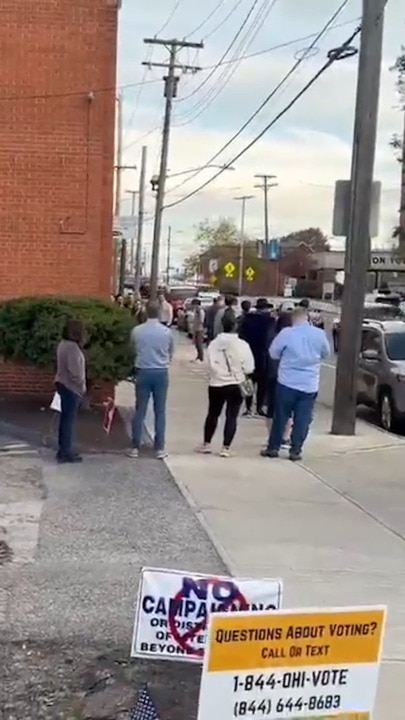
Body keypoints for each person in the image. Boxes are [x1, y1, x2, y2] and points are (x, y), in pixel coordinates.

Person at [261, 306, 330, 461]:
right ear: (308, 318)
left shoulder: (286, 333)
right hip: (309, 384)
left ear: (293, 319)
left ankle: (273, 448)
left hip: (287, 381)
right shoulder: (319, 334)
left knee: (281, 416)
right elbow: (326, 353)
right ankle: (296, 450)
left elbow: (273, 353)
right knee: (303, 418)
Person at [196, 312, 254, 457]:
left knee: (213, 414)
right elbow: (249, 367)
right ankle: (226, 447)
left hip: (216, 383)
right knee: (231, 416)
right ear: (236, 326)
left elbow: (209, 363)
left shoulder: (214, 344)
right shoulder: (243, 345)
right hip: (236, 383)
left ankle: (206, 443)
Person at [129, 300, 174, 459]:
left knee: (140, 409)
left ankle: (135, 446)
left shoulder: (136, 331)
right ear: (160, 312)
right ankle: (159, 447)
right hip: (161, 371)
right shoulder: (166, 332)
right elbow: (170, 352)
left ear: (146, 312)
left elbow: (133, 350)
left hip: (142, 370)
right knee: (160, 410)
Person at [55, 318, 86, 463]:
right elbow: (75, 373)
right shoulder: (73, 348)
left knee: (64, 420)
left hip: (61, 383)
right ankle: (66, 452)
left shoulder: (62, 344)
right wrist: (81, 386)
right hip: (71, 387)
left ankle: (63, 450)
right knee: (69, 421)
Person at [238, 297, 275, 417]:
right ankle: (259, 407)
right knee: (262, 385)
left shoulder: (247, 320)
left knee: (248, 382)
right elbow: (271, 339)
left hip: (248, 354)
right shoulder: (269, 321)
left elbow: (241, 337)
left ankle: (248, 407)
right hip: (263, 355)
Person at [265, 311, 293, 448]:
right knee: (287, 408)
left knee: (272, 406)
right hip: (287, 376)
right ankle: (285, 437)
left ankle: (272, 436)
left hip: (272, 374)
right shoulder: (291, 337)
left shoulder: (272, 334)